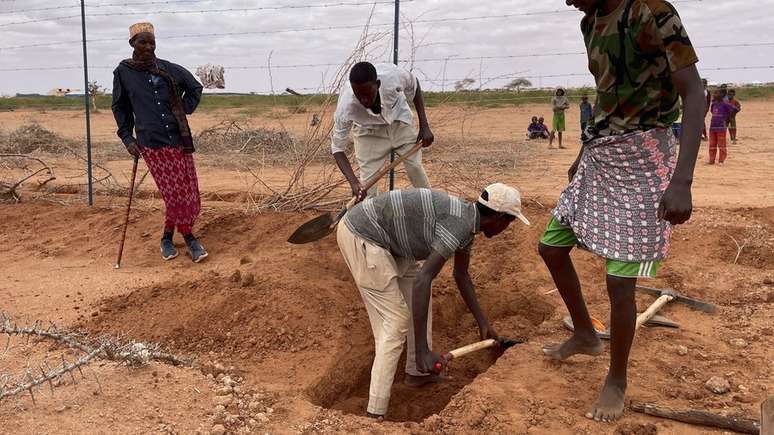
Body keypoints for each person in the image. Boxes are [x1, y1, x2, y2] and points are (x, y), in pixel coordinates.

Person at [540, 0, 704, 422]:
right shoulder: (589, 22)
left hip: (647, 156)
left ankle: (617, 378)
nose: (566, 0)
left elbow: (694, 93)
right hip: (603, 151)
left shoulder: (652, 12)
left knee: (620, 283)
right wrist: (582, 150)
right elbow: (606, 92)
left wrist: (682, 181)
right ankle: (584, 333)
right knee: (551, 248)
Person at [337, 183, 530, 419]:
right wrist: (422, 350)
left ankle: (417, 373)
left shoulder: (468, 221)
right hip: (363, 234)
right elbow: (423, 278)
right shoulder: (459, 223)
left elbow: (461, 275)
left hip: (394, 244)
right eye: (509, 222)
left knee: (419, 296)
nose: (506, 228)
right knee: (395, 324)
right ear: (499, 217)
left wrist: (483, 322)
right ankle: (375, 411)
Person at [111, 22, 207, 263]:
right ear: (132, 43)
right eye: (142, 42)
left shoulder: (168, 69)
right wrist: (126, 137)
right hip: (152, 144)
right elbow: (120, 107)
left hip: (179, 140)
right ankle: (189, 238)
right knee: (174, 194)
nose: (148, 47)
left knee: (186, 192)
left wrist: (182, 110)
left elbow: (195, 87)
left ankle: (166, 237)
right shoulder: (123, 72)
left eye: (151, 42)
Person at [332, 61, 433, 200]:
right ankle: (369, 218)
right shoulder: (346, 106)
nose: (364, 100)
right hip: (368, 133)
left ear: (378, 84)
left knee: (416, 168)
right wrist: (354, 183)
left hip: (399, 123)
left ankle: (430, 206)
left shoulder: (393, 77)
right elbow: (337, 149)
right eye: (358, 95)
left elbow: (414, 84)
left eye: (367, 93)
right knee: (367, 188)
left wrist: (425, 126)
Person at [708, 89, 738, 165]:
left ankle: (721, 160)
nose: (714, 94)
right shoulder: (713, 104)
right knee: (712, 144)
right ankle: (711, 160)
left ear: (722, 95)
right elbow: (712, 111)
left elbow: (735, 109)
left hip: (721, 127)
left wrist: (728, 118)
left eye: (716, 93)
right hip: (712, 127)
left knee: (721, 144)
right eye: (714, 93)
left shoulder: (725, 104)